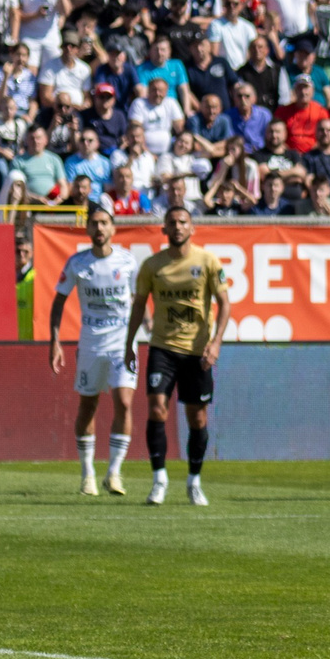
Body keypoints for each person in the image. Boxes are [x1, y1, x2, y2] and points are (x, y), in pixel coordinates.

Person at [121, 203, 230, 507]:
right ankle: (159, 480)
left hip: (197, 352)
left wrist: (216, 342)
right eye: (173, 222)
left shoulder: (207, 261)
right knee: (157, 408)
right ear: (164, 229)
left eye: (183, 221)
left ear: (192, 228)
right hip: (162, 348)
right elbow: (139, 305)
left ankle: (194, 481)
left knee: (197, 417)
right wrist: (130, 343)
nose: (178, 226)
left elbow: (225, 303)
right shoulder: (152, 265)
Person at [48, 204, 140, 495]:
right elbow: (59, 301)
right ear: (87, 229)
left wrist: (140, 334)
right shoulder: (77, 263)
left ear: (113, 228)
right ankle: (88, 474)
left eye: (104, 223)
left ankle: (114, 472)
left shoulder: (128, 262)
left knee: (124, 401)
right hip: (90, 342)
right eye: (94, 224)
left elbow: (139, 301)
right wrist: (55, 341)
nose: (99, 229)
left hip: (123, 341)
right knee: (88, 406)